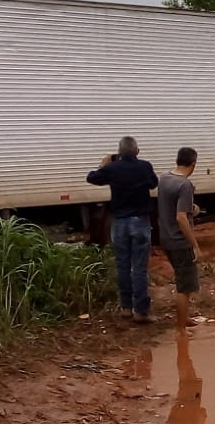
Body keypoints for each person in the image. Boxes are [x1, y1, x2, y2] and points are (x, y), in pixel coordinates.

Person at [87, 136, 159, 322]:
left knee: (123, 266)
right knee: (140, 269)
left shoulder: (112, 169)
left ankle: (126, 307)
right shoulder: (144, 166)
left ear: (119, 152)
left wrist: (104, 163)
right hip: (140, 222)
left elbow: (91, 178)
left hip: (119, 223)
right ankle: (141, 311)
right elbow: (153, 183)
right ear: (136, 150)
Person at [157, 146, 202, 329]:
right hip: (180, 241)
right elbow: (181, 217)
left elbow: (174, 206)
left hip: (166, 237)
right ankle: (181, 329)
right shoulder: (185, 185)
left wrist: (193, 208)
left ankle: (185, 319)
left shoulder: (165, 178)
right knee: (185, 286)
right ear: (193, 164)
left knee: (183, 280)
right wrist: (195, 246)